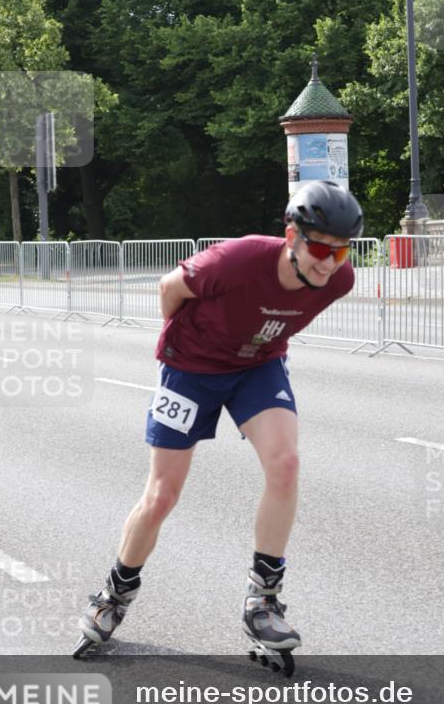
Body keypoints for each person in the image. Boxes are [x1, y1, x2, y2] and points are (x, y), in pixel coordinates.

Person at [74, 180, 363, 668]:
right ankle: (114, 594)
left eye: (340, 253)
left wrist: (251, 347)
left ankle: (262, 601)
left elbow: (279, 322)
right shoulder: (236, 260)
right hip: (190, 369)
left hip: (255, 368)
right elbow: (169, 290)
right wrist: (180, 349)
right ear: (291, 235)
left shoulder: (339, 279)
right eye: (318, 248)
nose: (327, 262)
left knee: (286, 464)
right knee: (162, 493)